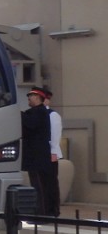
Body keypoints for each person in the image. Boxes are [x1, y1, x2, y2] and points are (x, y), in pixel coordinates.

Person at [20, 87, 53, 215]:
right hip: (35, 157)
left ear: (38, 98)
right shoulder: (36, 112)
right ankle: (39, 211)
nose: (28, 98)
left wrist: (19, 114)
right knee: (37, 184)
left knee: (39, 185)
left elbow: (31, 124)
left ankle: (41, 212)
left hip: (37, 157)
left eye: (31, 96)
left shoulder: (39, 112)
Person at [43, 87, 63, 217]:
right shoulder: (38, 114)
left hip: (50, 153)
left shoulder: (52, 115)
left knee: (51, 183)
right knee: (43, 184)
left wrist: (53, 153)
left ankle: (53, 209)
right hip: (40, 154)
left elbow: (55, 136)